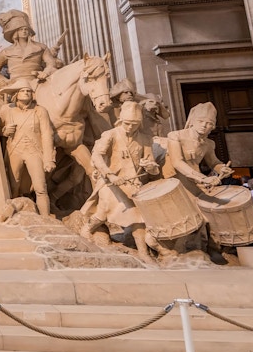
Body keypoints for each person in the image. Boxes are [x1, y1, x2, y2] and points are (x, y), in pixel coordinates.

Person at [81, 102, 160, 262]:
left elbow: (153, 167)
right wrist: (110, 175)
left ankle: (143, 252)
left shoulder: (145, 139)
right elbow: (96, 156)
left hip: (132, 185)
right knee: (103, 211)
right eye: (127, 123)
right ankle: (86, 229)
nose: (130, 127)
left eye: (134, 124)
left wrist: (150, 166)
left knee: (138, 218)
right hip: (111, 183)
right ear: (121, 120)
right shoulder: (110, 134)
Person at [0, 79, 56, 218]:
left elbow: (47, 135)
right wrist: (4, 131)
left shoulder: (40, 111)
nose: (26, 93)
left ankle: (46, 218)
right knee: (13, 187)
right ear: (16, 94)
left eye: (28, 91)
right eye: (23, 91)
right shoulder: (7, 110)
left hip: (34, 151)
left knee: (40, 187)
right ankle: (14, 216)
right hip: (14, 151)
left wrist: (48, 159)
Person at [0, 9, 61, 101]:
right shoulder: (6, 51)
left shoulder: (41, 47)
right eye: (21, 29)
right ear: (15, 32)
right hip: (15, 84)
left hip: (37, 82)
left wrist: (46, 73)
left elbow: (51, 64)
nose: (24, 31)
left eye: (26, 29)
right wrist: (5, 81)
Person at [162, 102, 233, 197]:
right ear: (192, 121)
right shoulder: (176, 136)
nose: (204, 125)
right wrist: (202, 178)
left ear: (212, 127)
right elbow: (177, 162)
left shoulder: (209, 144)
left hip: (195, 181)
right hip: (175, 180)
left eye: (209, 123)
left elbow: (213, 162)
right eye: (200, 121)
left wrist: (221, 168)